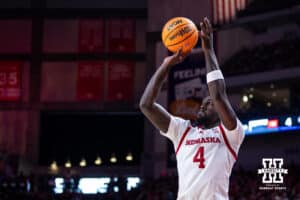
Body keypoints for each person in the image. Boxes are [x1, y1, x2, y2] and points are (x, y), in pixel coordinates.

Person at [139, 17, 245, 200]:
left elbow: (218, 95)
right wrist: (166, 66)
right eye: (203, 103)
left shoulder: (231, 134)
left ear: (222, 111)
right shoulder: (182, 130)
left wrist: (208, 49)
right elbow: (146, 105)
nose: (203, 105)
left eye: (209, 103)